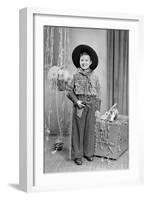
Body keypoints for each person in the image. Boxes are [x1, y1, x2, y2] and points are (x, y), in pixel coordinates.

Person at [67, 44, 101, 165]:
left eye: (86, 60)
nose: (84, 62)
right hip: (80, 104)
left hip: (91, 104)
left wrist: (97, 108)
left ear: (91, 62)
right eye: (82, 60)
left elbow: (98, 93)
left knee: (90, 129)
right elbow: (69, 91)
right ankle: (77, 155)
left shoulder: (95, 76)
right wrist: (77, 101)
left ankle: (88, 153)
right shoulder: (75, 75)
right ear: (79, 62)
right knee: (78, 130)